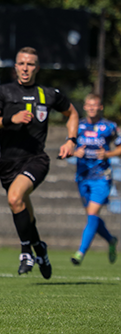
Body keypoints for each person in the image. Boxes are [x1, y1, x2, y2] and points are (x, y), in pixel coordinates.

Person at [0, 46, 78, 279]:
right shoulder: (3, 92)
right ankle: (40, 249)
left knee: (15, 198)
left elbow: (73, 113)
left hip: (36, 159)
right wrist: (10, 119)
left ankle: (26, 251)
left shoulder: (48, 94)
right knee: (24, 211)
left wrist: (71, 140)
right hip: (8, 163)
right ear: (15, 66)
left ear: (37, 68)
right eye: (22, 63)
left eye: (31, 64)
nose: (26, 68)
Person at [70, 93, 120, 265]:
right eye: (89, 105)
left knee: (92, 214)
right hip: (82, 177)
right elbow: (68, 147)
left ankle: (80, 253)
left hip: (101, 177)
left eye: (95, 105)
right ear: (84, 107)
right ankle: (111, 240)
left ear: (100, 107)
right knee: (92, 218)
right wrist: (75, 152)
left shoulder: (109, 127)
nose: (92, 108)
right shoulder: (77, 126)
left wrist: (108, 154)